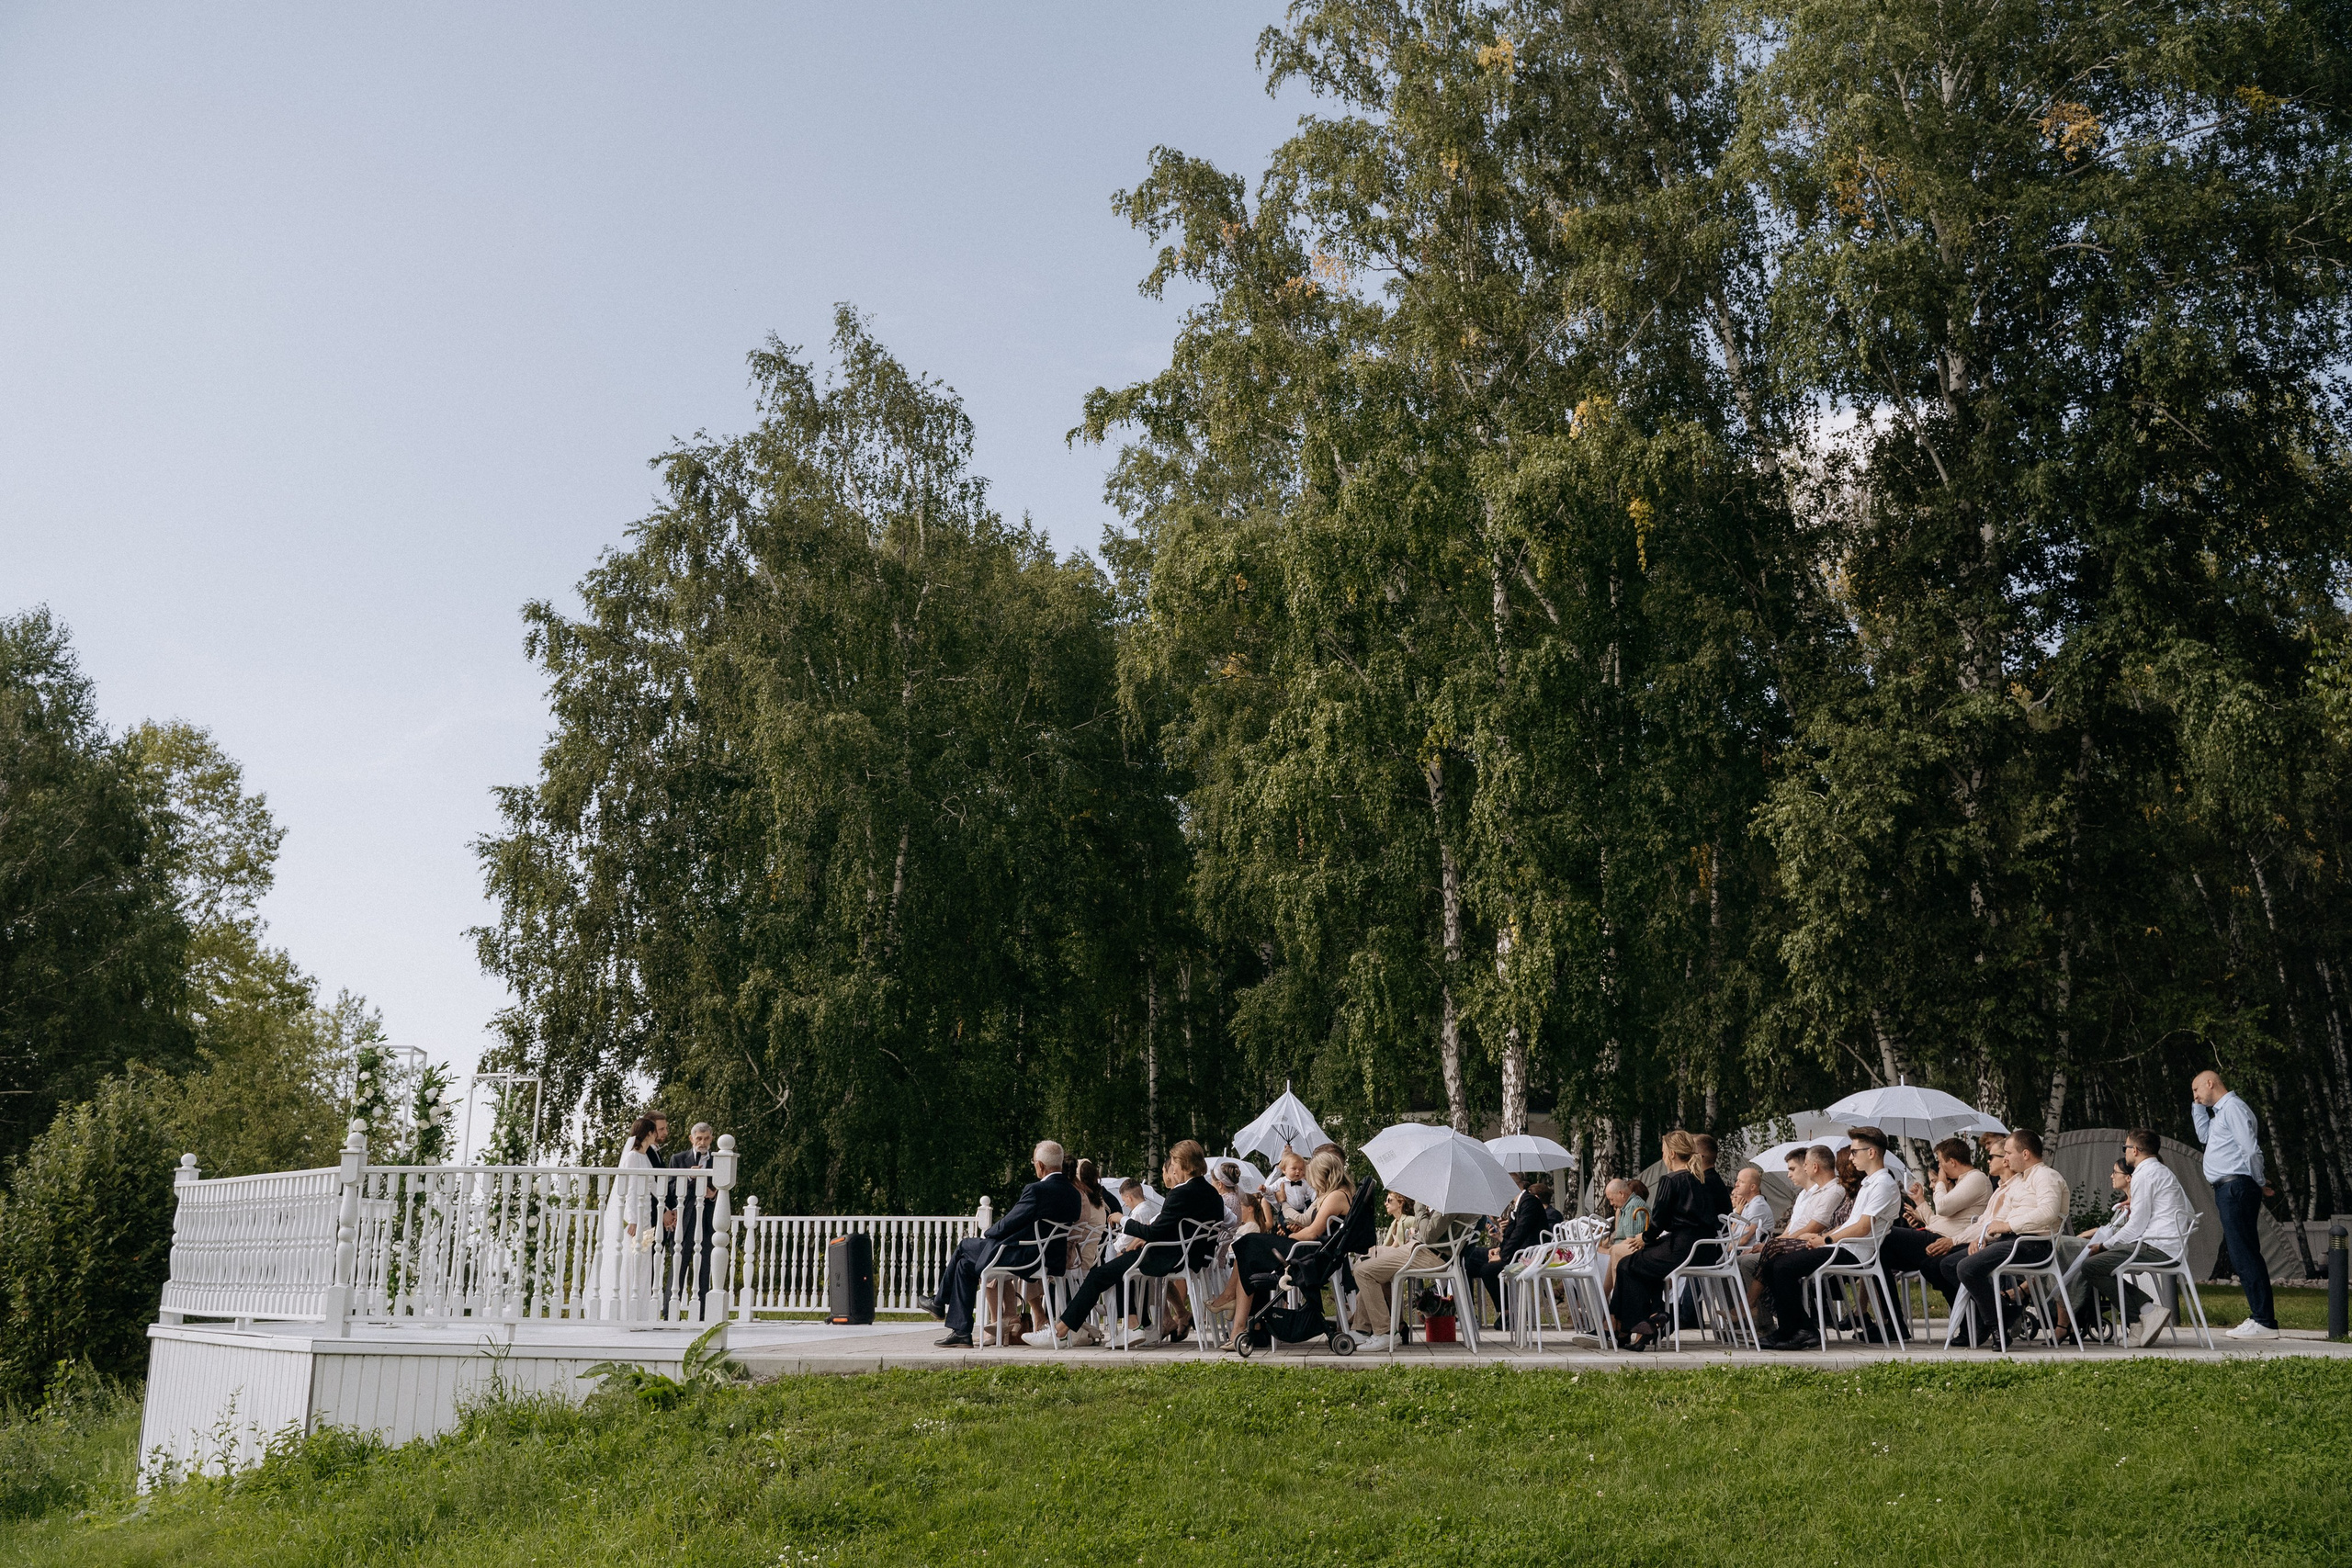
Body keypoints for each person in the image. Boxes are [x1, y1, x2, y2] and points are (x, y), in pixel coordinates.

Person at [1027, 1141, 1222, 1349]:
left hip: (1169, 1257)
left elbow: (1153, 1231)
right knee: (1120, 1265)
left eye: (1173, 1162)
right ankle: (1138, 1325)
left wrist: (1123, 1220)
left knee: (1099, 1275)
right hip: (1194, 1257)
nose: (1171, 1167)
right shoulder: (1212, 1194)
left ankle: (1060, 1332)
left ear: (1182, 1163)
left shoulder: (1180, 1193)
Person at [923, 1141, 1080, 1348]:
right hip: (1050, 1258)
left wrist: (990, 1233)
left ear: (1040, 1166)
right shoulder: (1074, 1195)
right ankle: (960, 1331)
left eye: (1034, 1163)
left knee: (964, 1246)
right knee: (965, 1265)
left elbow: (1009, 1222)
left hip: (1025, 1256)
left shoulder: (1037, 1190)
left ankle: (938, 1302)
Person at [1760, 1126, 1903, 1349]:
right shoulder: (1869, 1183)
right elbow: (1851, 1224)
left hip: (1855, 1252)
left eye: (1855, 1152)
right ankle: (1795, 1328)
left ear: (1871, 1153)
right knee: (1773, 1265)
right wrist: (1823, 1237)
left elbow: (1863, 1227)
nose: (1851, 1157)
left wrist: (1826, 1240)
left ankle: (1799, 1330)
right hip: (1844, 1246)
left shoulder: (1883, 1184)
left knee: (1782, 1268)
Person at [1935, 1125, 2068, 1345]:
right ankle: (2003, 1312)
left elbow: (2048, 1212)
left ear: (2025, 1154)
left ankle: (1997, 1327)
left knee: (1966, 1267)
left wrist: (2006, 1226)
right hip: (2013, 1241)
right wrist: (1985, 1238)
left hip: (2034, 1245)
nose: (2006, 1158)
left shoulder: (2046, 1176)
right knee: (1950, 1264)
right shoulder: (2022, 1181)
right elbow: (1994, 1220)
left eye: (2008, 1152)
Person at [2067, 1129, 2196, 1347]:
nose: (2125, 1152)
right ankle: (2143, 1316)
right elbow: (2189, 1211)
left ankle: (2142, 1316)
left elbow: (2136, 1226)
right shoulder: (2164, 1172)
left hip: (2157, 1247)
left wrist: (2105, 1245)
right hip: (2173, 1247)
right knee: (2101, 1265)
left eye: (2125, 1148)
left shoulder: (2143, 1175)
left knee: (2091, 1266)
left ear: (2134, 1150)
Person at [1227, 1148, 1353, 1350]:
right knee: (1248, 1247)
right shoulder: (1336, 1194)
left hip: (1308, 1251)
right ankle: (1241, 1323)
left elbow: (1312, 1233)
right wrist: (1299, 1227)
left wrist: (1291, 1232)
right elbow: (1308, 1223)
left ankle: (1240, 1324)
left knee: (1248, 1244)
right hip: (1311, 1248)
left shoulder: (1335, 1196)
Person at [1876, 1136, 1994, 1336]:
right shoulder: (1962, 1182)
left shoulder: (1976, 1178)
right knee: (1881, 1254)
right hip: (1938, 1235)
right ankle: (1893, 1323)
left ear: (1952, 1162)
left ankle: (1972, 1319)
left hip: (1951, 1240)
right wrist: (1921, 1203)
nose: (1939, 1167)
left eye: (1940, 1162)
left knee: (1884, 1235)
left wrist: (1940, 1182)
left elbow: (1943, 1207)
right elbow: (1940, 1220)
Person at [1610, 1131, 1717, 1349]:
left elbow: (1658, 1221)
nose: (1663, 1157)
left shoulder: (1671, 1180)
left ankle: (1637, 1323)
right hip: (1706, 1248)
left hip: (1682, 1247)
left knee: (1627, 1265)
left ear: (1672, 1154)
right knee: (1642, 1265)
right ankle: (1649, 1318)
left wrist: (1644, 1238)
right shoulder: (1702, 1178)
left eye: (1663, 1152)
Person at [2193, 1070, 2279, 1338]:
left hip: (2236, 1187)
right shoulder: (2221, 1114)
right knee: (2242, 1252)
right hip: (2230, 1188)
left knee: (2244, 1253)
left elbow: (2251, 1149)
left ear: (2210, 1083)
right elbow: (2204, 1137)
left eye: (2196, 1090)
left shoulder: (2233, 1108)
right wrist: (2197, 1107)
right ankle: (2261, 1318)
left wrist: (2257, 1180)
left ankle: (2264, 1321)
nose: (2195, 1096)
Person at [1348, 1193, 1471, 1349]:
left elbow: (1428, 1235)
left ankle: (1385, 1332)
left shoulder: (1451, 1201)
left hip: (1427, 1254)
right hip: (1422, 1250)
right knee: (1367, 1259)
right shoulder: (1460, 1199)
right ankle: (1361, 1328)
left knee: (1363, 1271)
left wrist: (1419, 1206)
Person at [594, 1113, 664, 1318]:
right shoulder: (633, 1157)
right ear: (649, 1133)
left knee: (644, 1263)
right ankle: (626, 1312)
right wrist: (632, 1219)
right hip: (637, 1219)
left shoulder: (644, 1157)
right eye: (654, 1132)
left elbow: (651, 1185)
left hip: (648, 1217)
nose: (656, 1136)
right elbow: (630, 1190)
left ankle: (641, 1313)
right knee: (633, 1262)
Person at [1467, 1172, 1551, 1326]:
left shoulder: (1530, 1202)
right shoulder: (1519, 1204)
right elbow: (1511, 1235)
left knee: (1488, 1270)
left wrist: (1503, 1256)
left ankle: (1509, 1311)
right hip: (1518, 1251)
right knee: (1468, 1261)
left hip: (1529, 1256)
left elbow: (1521, 1233)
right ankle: (1467, 1313)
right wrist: (1500, 1249)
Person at [667, 1122, 719, 1314]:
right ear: (692, 1139)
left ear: (711, 1139)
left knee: (705, 1267)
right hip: (683, 1220)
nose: (702, 1142)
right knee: (677, 1267)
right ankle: (669, 1313)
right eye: (699, 1138)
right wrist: (689, 1177)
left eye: (706, 1138)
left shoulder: (719, 1160)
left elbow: (729, 1189)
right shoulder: (678, 1159)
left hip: (708, 1220)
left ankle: (704, 1315)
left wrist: (714, 1195)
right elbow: (670, 1190)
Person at [1692, 1134, 1734, 1220]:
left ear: (1699, 1157)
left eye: (1690, 1154)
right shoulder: (1715, 1180)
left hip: (1711, 1233)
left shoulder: (1704, 1184)